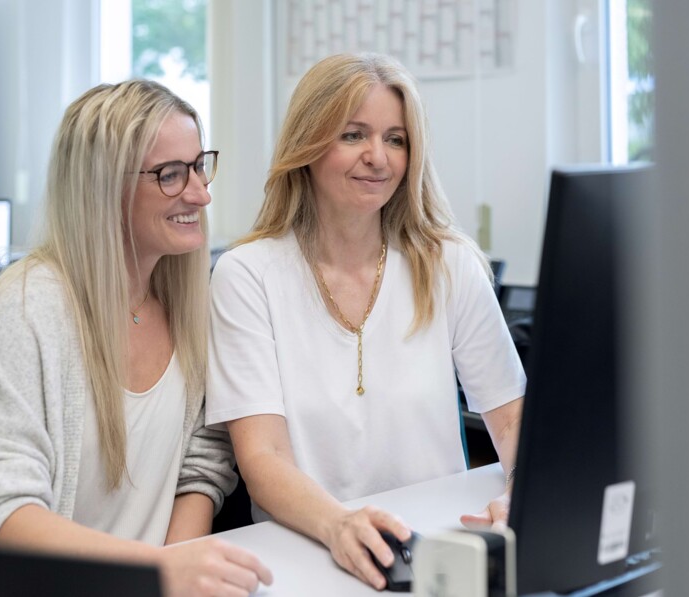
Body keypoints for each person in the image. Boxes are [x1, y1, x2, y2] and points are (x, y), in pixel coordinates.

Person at [0, 79, 272, 597]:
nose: (200, 192)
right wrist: (153, 571)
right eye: (170, 175)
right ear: (102, 186)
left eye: (199, 166)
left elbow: (202, 465)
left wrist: (171, 569)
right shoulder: (29, 307)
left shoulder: (189, 303)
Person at [206, 53, 525, 591]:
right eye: (353, 135)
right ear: (307, 144)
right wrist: (339, 525)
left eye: (396, 139)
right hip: (306, 551)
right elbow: (262, 458)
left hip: (440, 552)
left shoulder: (448, 263)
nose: (378, 157)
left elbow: (513, 420)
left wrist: (523, 491)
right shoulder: (247, 275)